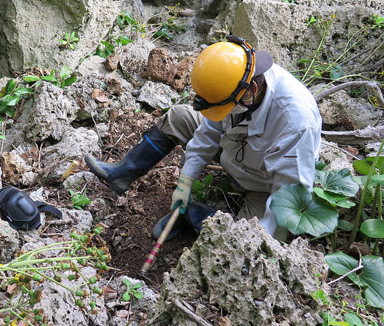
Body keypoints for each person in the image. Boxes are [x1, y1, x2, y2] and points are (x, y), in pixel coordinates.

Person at [84, 35, 322, 240]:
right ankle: (123, 174)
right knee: (179, 117)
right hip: (235, 151)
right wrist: (185, 181)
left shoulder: (296, 122)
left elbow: (289, 198)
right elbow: (208, 132)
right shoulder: (230, 78)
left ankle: (195, 215)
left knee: (246, 238)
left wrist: (261, 244)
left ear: (251, 94)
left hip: (265, 184)